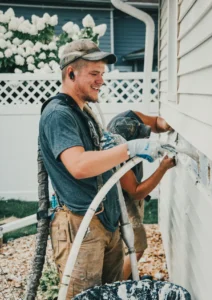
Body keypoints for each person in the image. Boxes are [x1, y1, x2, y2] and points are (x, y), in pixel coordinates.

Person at [38, 39, 166, 299]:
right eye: (94, 74)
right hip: (80, 225)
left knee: (110, 293)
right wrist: (129, 149)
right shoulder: (58, 114)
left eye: (102, 74)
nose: (101, 81)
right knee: (83, 295)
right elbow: (78, 166)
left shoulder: (83, 112)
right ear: (71, 73)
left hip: (104, 221)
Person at [105, 110, 175, 279]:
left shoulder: (129, 116)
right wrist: (163, 168)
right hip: (121, 197)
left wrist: (169, 124)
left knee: (126, 246)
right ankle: (117, 288)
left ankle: (127, 276)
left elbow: (157, 122)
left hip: (130, 191)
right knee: (137, 246)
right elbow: (136, 192)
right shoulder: (116, 151)